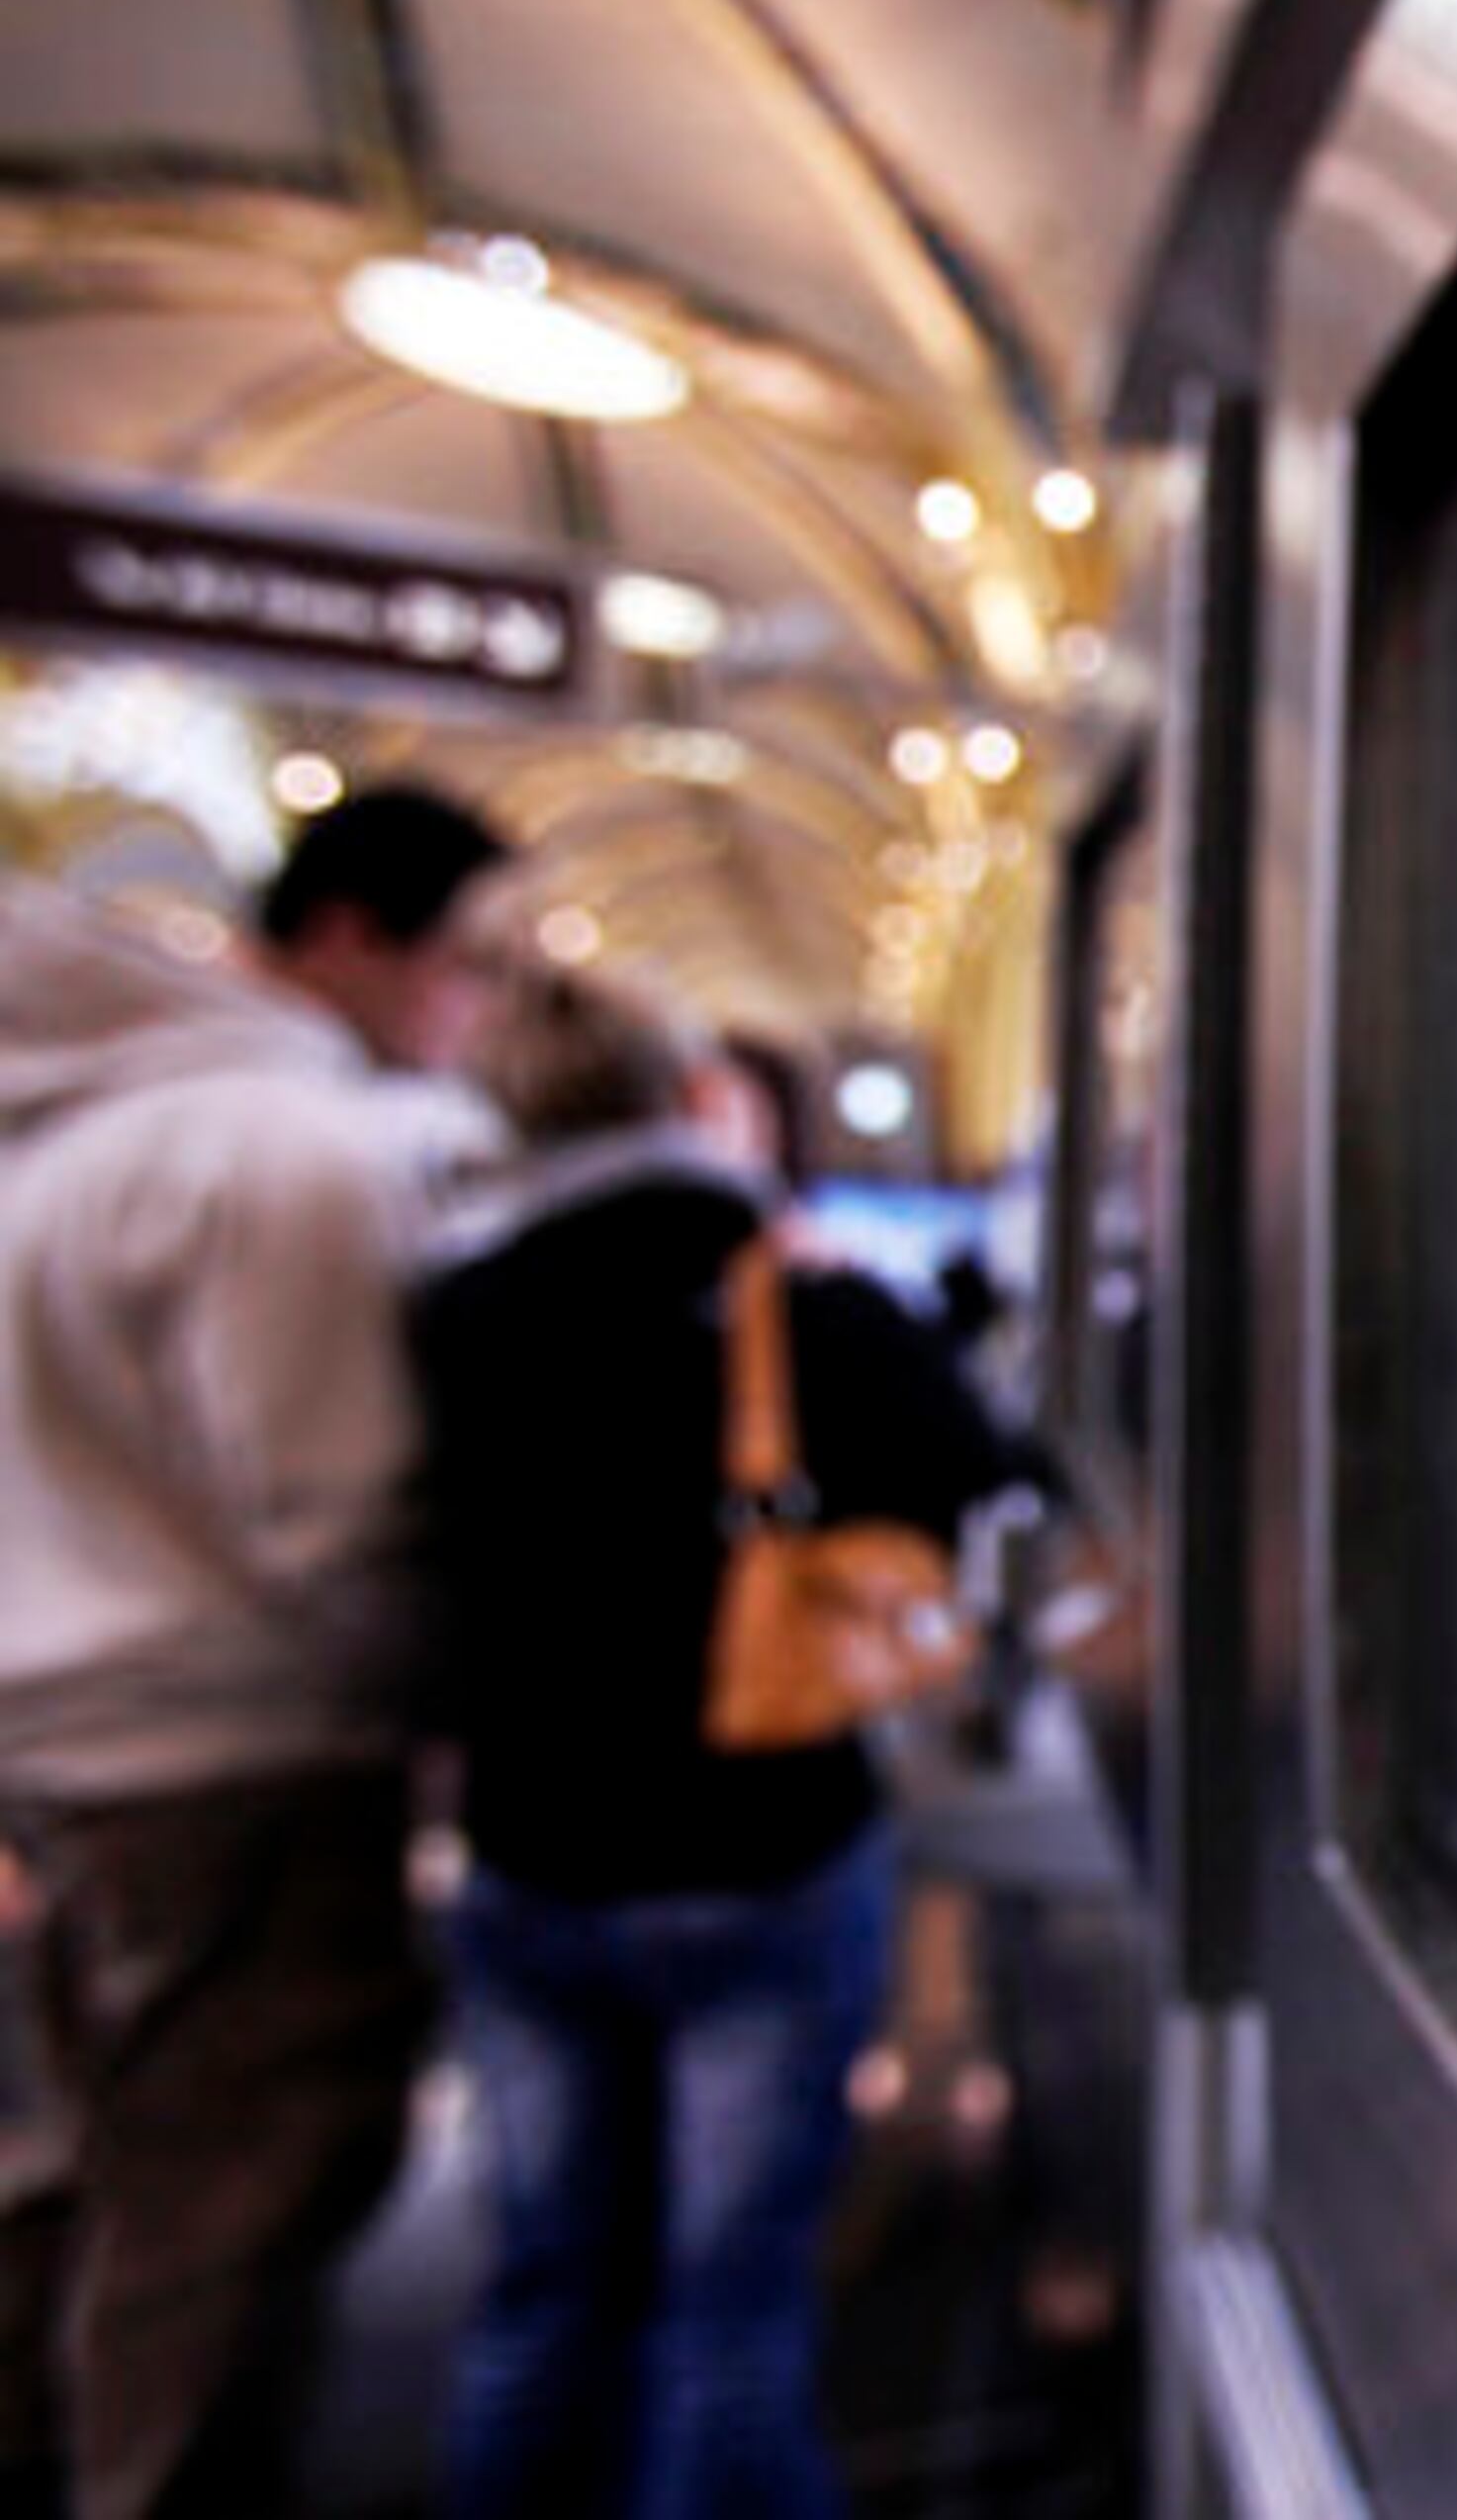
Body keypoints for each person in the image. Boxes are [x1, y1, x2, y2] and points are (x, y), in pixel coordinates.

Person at [410, 964, 1013, 2520]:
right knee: (729, 2294)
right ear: (687, 1098)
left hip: (533, 1842)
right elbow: (965, 1458)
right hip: (762, 1836)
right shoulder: (792, 1292)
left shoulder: (453, 1304)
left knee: (548, 2275)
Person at [0, 786, 507, 2520]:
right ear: (355, 937)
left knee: (99, 2175)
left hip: (75, 1740)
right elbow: (339, 1511)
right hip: (238, 1751)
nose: (478, 1008)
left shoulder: (73, 1140)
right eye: (467, 962)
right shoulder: (284, 1152)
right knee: (227, 2205)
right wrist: (437, 1719)